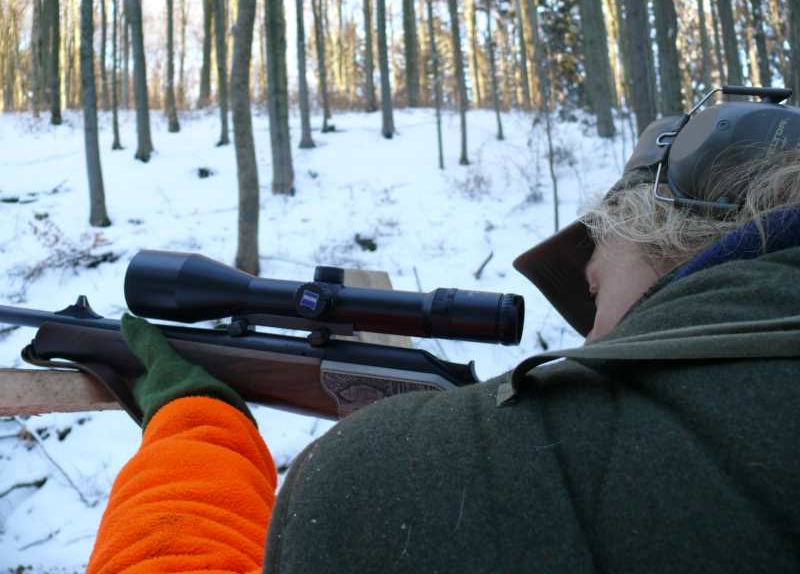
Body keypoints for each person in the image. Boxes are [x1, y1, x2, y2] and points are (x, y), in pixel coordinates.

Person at [87, 88, 800, 573]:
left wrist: (195, 432)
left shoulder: (395, 482)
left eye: (594, 289)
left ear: (666, 238)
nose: (590, 341)